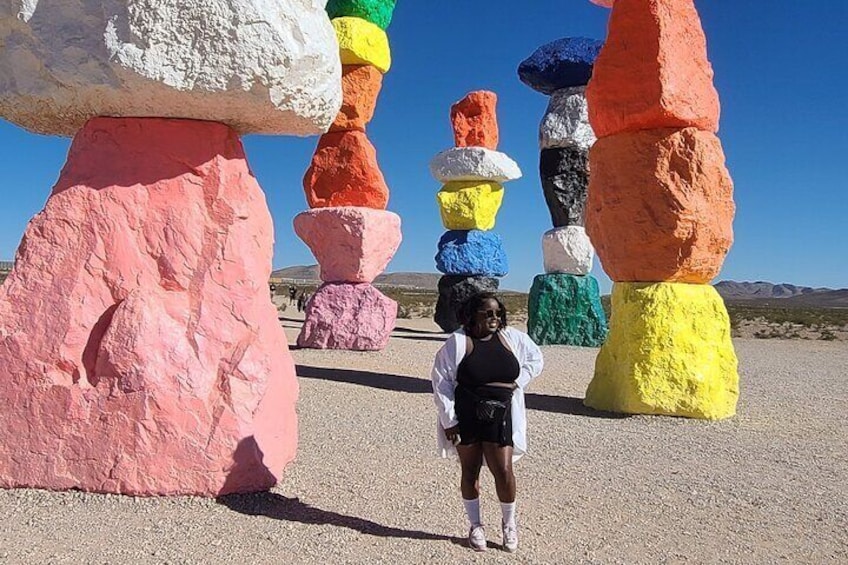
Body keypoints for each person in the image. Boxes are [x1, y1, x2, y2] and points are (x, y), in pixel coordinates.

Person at [431, 292, 544, 553]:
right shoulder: (458, 342)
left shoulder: (512, 338)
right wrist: (449, 421)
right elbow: (441, 382)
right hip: (466, 416)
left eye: (498, 313)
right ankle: (475, 525)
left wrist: (519, 382)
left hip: (501, 414)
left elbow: (536, 359)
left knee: (503, 471)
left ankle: (509, 523)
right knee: (470, 471)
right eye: (488, 313)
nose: (495, 318)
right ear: (472, 316)